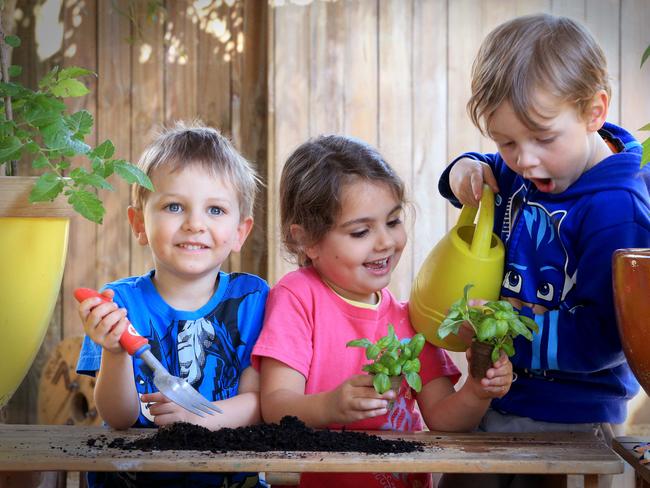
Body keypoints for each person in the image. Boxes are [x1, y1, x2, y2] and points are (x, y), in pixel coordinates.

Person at [436, 13, 650, 488]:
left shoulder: (617, 209)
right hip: (499, 399)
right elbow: (482, 170)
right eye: (506, 141)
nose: (524, 159)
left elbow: (607, 338)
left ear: (594, 112)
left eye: (542, 138)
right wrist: (463, 171)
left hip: (575, 420)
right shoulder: (526, 167)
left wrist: (498, 332)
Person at [251, 134, 514, 488]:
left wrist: (478, 391)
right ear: (305, 241)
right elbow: (276, 406)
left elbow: (444, 418)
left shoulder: (410, 317)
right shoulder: (298, 298)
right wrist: (330, 406)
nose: (386, 242)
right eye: (360, 231)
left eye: (393, 221)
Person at [76, 122, 269, 488]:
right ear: (139, 224)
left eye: (215, 210)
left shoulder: (252, 300)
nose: (195, 224)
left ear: (240, 232)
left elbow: (260, 402)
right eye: (174, 206)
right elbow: (118, 418)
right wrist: (115, 352)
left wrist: (201, 419)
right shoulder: (121, 304)